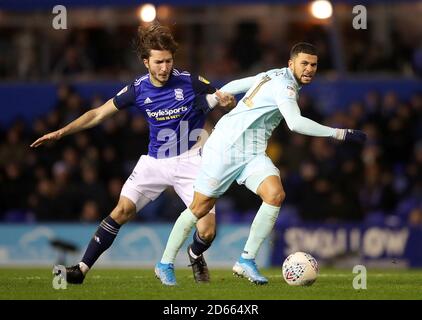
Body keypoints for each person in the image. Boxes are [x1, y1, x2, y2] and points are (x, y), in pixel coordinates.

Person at [30, 24, 236, 286]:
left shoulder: (190, 81)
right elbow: (97, 114)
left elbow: (224, 99)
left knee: (207, 232)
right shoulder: (137, 90)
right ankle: (81, 269)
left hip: (192, 161)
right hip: (154, 162)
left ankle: (195, 254)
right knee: (122, 210)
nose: (165, 67)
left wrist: (229, 103)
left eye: (169, 61)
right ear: (145, 62)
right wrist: (61, 132)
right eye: (159, 62)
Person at [156, 42, 367, 285]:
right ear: (292, 64)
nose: (309, 69)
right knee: (199, 208)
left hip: (253, 152)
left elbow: (238, 85)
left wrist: (217, 96)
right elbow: (295, 123)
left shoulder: (272, 74)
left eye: (313, 65)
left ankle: (246, 260)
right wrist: (339, 133)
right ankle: (164, 263)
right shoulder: (286, 85)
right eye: (304, 63)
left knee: (275, 194)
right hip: (226, 146)